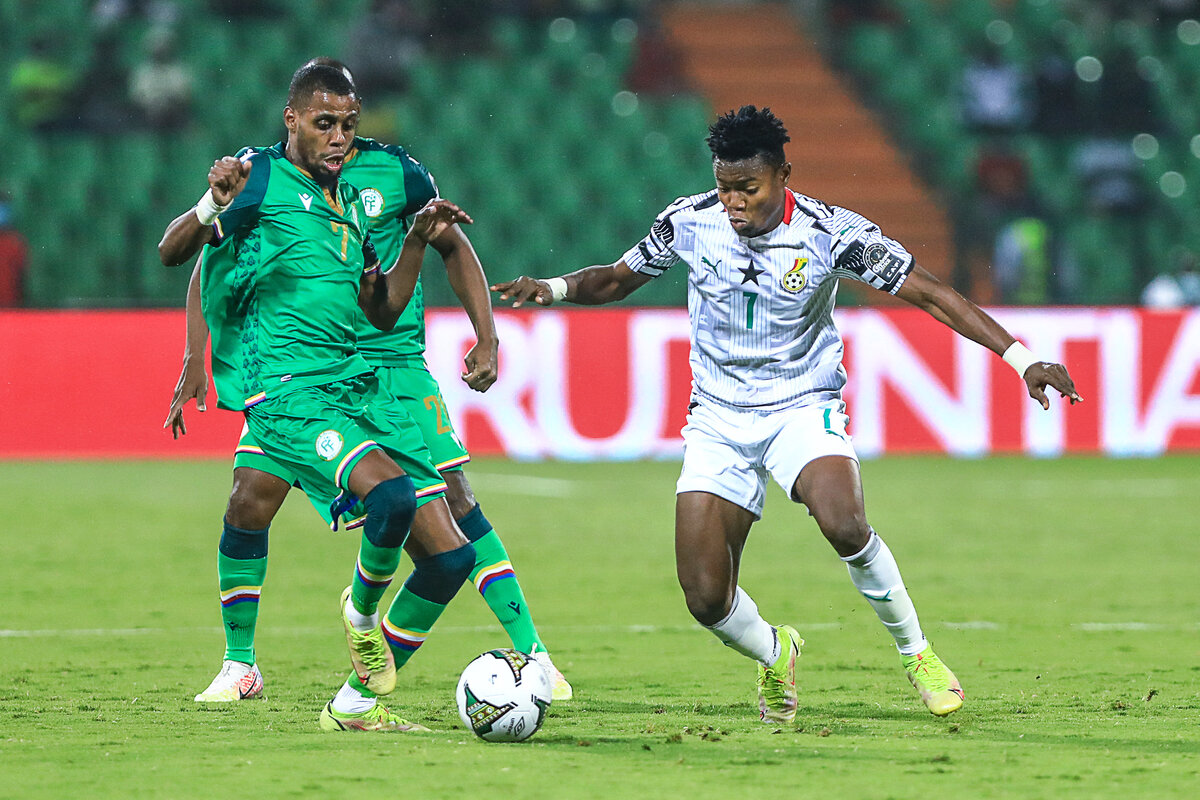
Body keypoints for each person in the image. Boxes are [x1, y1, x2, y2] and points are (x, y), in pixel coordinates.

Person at [493, 106, 1081, 722]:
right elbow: (616, 280)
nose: (734, 203)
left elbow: (931, 293)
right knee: (703, 597)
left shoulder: (833, 235)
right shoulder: (689, 222)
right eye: (724, 188)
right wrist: (555, 288)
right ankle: (775, 653)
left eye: (748, 188)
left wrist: (1021, 358)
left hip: (801, 404)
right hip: (718, 418)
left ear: (782, 175)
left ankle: (918, 654)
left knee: (844, 521)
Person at [163, 58, 571, 709]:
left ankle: (533, 654)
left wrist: (486, 333)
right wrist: (195, 353)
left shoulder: (394, 173)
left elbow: (449, 246)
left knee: (453, 507)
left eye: (348, 125)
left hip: (389, 367)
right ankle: (243, 664)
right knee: (248, 500)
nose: (339, 138)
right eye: (326, 123)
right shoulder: (260, 176)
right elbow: (209, 254)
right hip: (300, 377)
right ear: (294, 118)